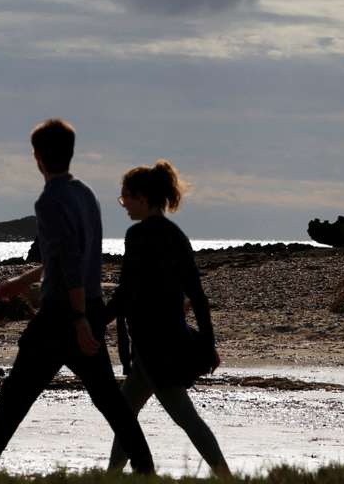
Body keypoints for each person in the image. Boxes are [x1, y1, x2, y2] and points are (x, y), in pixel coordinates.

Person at [0, 119, 154, 474]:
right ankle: (147, 471)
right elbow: (66, 255)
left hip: (62, 315)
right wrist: (24, 281)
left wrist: (78, 319)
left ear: (38, 157)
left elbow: (70, 259)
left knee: (16, 395)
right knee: (110, 402)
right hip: (86, 307)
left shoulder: (49, 200)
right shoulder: (85, 194)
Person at [106, 160, 231, 478]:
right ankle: (110, 476)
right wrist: (207, 342)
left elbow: (125, 293)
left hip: (152, 347)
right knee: (126, 412)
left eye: (125, 199)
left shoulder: (138, 235)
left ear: (143, 198)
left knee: (184, 416)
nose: (124, 206)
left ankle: (225, 475)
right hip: (170, 340)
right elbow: (198, 296)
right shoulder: (178, 236)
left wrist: (91, 321)